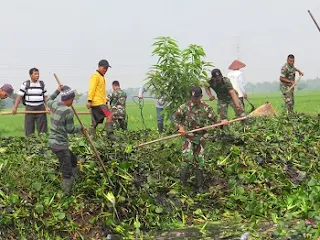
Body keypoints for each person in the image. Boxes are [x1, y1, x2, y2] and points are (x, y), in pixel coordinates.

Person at [174, 86, 219, 193]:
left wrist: (222, 123)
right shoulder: (184, 107)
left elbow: (215, 121)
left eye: (197, 98)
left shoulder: (206, 108)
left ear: (201, 96)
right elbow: (176, 119)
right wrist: (180, 127)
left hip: (201, 138)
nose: (195, 100)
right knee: (187, 159)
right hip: (188, 137)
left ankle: (199, 186)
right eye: (193, 98)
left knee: (200, 161)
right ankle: (183, 186)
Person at [47, 84, 85, 196]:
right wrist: (81, 128)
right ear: (68, 99)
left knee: (74, 161)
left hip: (53, 143)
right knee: (66, 171)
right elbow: (70, 129)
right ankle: (66, 195)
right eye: (72, 100)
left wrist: (57, 91)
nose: (72, 102)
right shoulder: (68, 112)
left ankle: (75, 180)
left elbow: (48, 99)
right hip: (60, 146)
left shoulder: (54, 104)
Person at [12, 68, 48, 136]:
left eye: (38, 74)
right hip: (29, 109)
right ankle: (30, 144)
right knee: (29, 130)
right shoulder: (25, 84)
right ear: (30, 75)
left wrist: (47, 107)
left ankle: (43, 143)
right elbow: (19, 96)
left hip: (41, 108)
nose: (37, 75)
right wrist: (15, 107)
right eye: (35, 74)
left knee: (43, 131)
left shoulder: (42, 84)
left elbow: (46, 97)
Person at [86, 59, 115, 139]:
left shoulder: (101, 77)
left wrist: (105, 100)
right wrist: (89, 100)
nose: (105, 70)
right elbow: (92, 88)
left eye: (107, 69)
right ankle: (110, 134)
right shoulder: (95, 76)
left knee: (94, 122)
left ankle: (90, 137)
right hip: (98, 102)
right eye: (104, 68)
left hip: (99, 102)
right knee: (109, 115)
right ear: (99, 67)